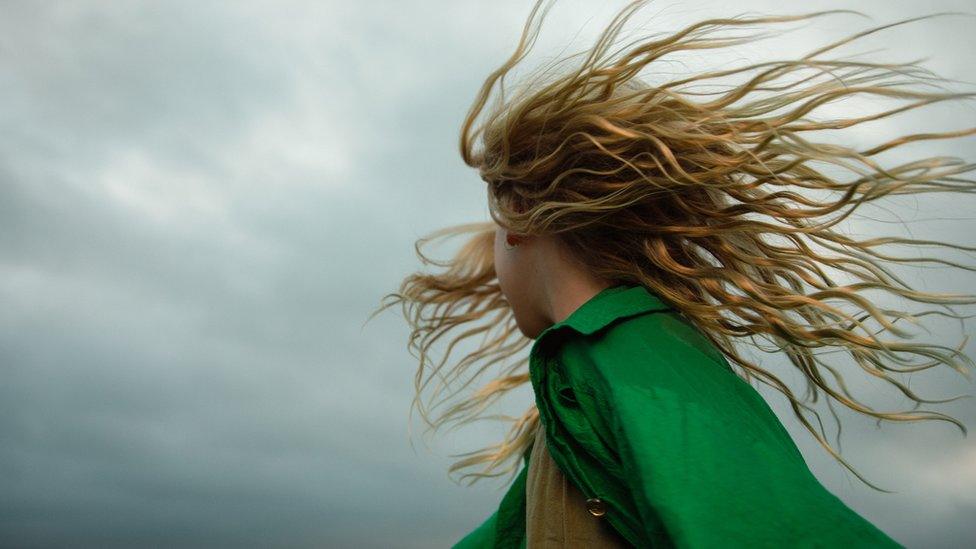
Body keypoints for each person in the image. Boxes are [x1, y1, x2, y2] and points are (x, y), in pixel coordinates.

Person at [369, 1, 975, 546]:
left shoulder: (635, 351)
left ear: (520, 212)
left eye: (493, 227)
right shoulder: (579, 382)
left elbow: (770, 526)